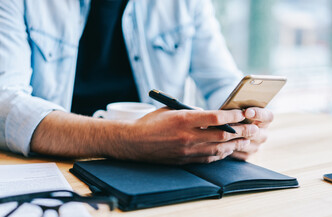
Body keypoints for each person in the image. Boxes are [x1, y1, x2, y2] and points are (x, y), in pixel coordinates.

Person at [0, 0, 273, 164]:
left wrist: (239, 127)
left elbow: (221, 82)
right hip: (56, 168)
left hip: (162, 166)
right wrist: (130, 139)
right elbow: (5, 105)